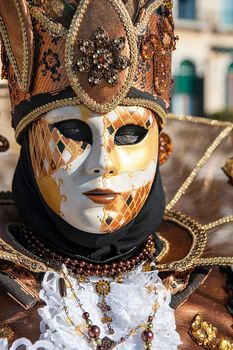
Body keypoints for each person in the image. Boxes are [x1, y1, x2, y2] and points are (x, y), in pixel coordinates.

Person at [0, 1, 232, 349]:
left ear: (158, 145)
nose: (103, 162)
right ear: (28, 143)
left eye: (128, 135)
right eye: (74, 133)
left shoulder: (220, 294)